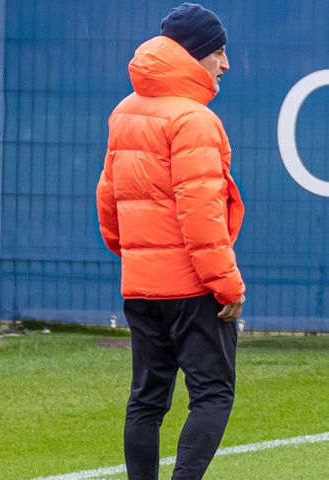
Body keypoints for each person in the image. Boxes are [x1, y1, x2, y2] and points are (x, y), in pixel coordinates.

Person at [95, 3, 246, 479]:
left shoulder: (125, 111)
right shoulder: (193, 119)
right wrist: (228, 286)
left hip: (141, 286)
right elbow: (202, 214)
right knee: (214, 394)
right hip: (193, 287)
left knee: (146, 400)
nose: (225, 64)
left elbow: (109, 197)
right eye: (219, 52)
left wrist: (135, 258)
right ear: (195, 53)